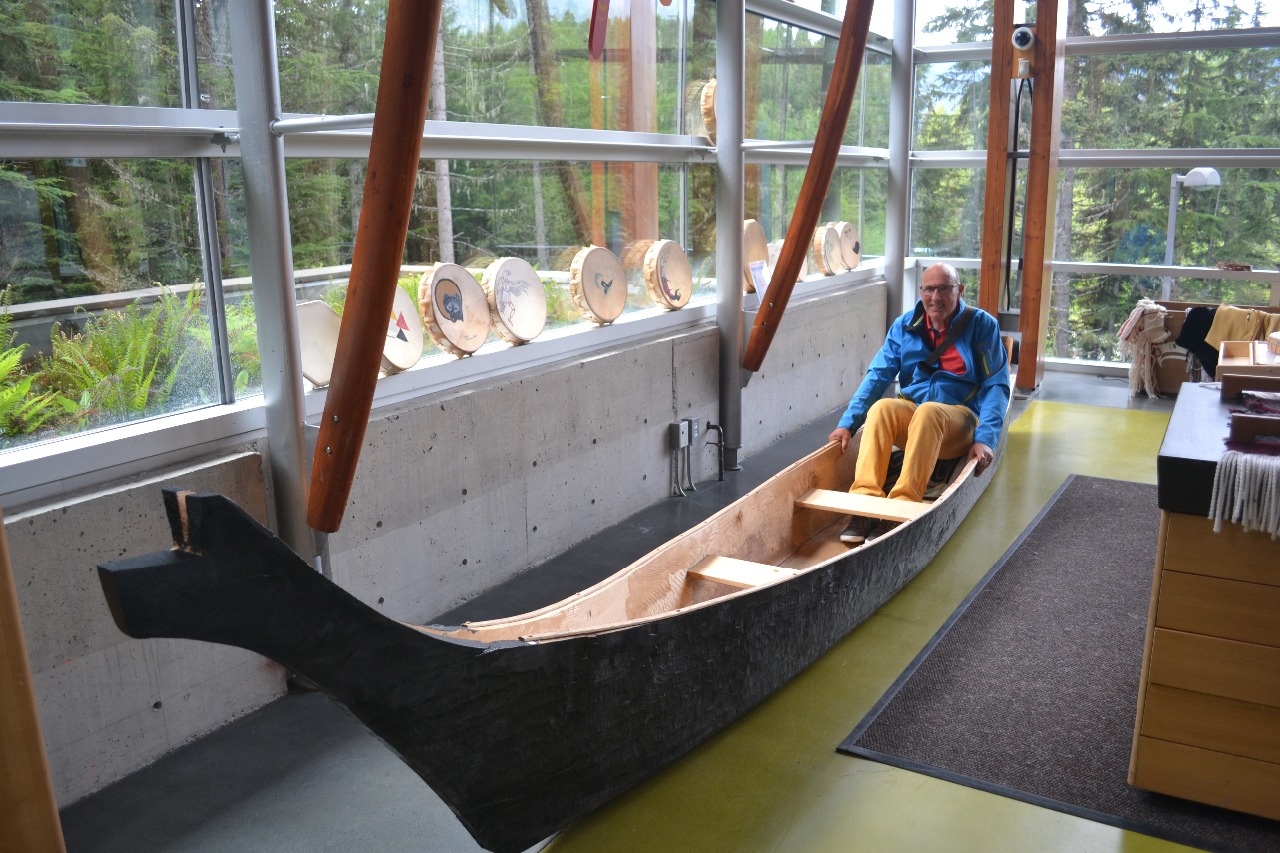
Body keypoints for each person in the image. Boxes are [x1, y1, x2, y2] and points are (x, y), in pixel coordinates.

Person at [827, 262, 1011, 545]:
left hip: (960, 420)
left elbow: (996, 384)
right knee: (882, 409)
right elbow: (877, 376)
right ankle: (864, 503)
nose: (936, 297)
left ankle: (901, 507)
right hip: (918, 415)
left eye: (944, 289)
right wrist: (847, 423)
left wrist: (986, 438)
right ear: (921, 291)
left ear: (960, 290)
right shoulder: (904, 326)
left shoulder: (981, 325)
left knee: (928, 412)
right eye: (929, 289)